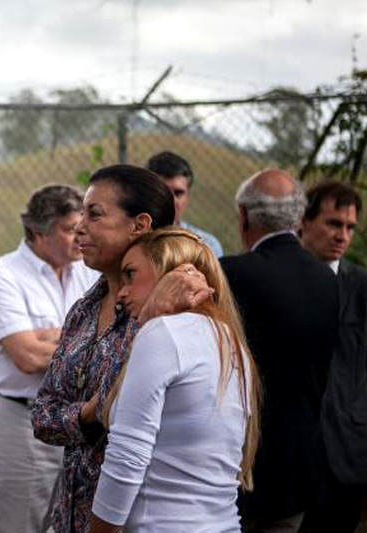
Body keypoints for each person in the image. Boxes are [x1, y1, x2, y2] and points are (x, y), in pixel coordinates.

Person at [32, 165, 212, 533]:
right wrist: (87, 414)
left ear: (139, 225)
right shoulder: (84, 309)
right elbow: (43, 415)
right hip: (71, 516)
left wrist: (91, 412)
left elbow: (135, 416)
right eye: (82, 214)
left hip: (135, 521)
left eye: (95, 214)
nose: (80, 227)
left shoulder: (179, 314)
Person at [89, 228, 260, 532]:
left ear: (168, 272)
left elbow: (128, 456)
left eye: (131, 274)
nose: (121, 292)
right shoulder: (227, 338)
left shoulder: (164, 334)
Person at [0, 184, 99, 533]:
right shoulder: (3, 276)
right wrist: (83, 340)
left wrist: (52, 335)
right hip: (20, 419)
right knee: (22, 524)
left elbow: (108, 332)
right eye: (68, 229)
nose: (79, 237)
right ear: (37, 231)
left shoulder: (89, 272)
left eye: (81, 227)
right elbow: (27, 357)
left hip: (77, 420)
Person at [220, 169, 339, 532]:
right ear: (300, 219)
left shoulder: (231, 275)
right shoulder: (329, 281)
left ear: (243, 215)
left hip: (237, 467)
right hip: (300, 464)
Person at [299, 181, 367, 532]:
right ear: (303, 221)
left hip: (346, 455)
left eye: (350, 227)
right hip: (289, 456)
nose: (343, 235)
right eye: (333, 224)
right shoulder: (279, 281)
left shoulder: (361, 288)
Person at [147, 151, 224, 257]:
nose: (172, 200)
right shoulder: (132, 240)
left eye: (178, 193)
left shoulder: (206, 245)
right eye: (164, 192)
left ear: (187, 196)